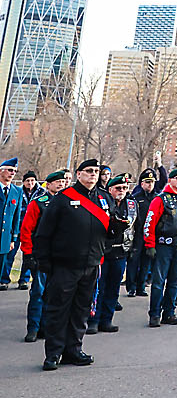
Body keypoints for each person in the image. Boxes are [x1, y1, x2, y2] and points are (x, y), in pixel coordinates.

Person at [33, 158, 112, 370]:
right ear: (79, 174)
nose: (93, 174)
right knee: (58, 310)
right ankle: (53, 353)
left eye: (96, 171)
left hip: (91, 264)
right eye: (88, 171)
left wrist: (117, 230)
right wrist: (44, 262)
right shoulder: (63, 199)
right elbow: (43, 233)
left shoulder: (104, 198)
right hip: (65, 265)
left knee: (81, 310)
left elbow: (109, 229)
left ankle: (74, 349)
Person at [144, 166, 177, 327]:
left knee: (175, 280)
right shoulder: (160, 199)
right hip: (163, 245)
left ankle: (169, 312)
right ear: (170, 180)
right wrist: (150, 244)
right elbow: (150, 223)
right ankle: (154, 314)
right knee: (159, 281)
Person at [19, 169, 68, 342]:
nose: (61, 185)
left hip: (60, 256)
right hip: (41, 255)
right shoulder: (39, 203)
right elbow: (26, 229)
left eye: (63, 182)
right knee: (38, 292)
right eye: (57, 182)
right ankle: (34, 327)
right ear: (48, 184)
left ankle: (47, 327)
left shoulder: (69, 202)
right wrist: (28, 253)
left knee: (54, 294)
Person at [92, 175, 131, 332]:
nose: (121, 191)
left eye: (124, 188)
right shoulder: (102, 203)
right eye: (118, 188)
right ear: (110, 190)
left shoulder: (131, 204)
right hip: (103, 251)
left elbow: (138, 227)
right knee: (98, 288)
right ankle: (93, 320)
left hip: (121, 252)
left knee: (114, 289)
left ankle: (107, 320)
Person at [125, 171, 156, 297]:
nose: (150, 185)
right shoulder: (135, 198)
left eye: (152, 182)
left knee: (146, 261)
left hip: (150, 234)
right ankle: (131, 286)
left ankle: (141, 286)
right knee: (133, 261)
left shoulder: (157, 198)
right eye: (147, 182)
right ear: (142, 183)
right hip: (137, 233)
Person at [0, 156, 23, 289]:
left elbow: (16, 216)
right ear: (1, 171)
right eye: (9, 170)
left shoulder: (16, 191)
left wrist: (13, 238)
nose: (12, 173)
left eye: (15, 171)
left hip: (5, 238)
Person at [14, 171, 38, 286]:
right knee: (11, 255)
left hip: (31, 229)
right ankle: (4, 279)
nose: (30, 183)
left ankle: (24, 279)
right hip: (18, 227)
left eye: (32, 180)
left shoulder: (40, 192)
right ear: (23, 182)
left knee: (27, 255)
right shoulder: (18, 192)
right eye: (27, 181)